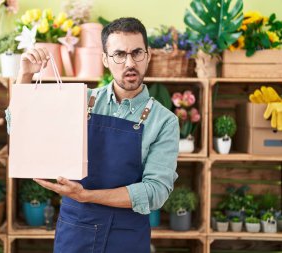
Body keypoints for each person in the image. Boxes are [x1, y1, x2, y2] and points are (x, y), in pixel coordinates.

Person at [10, 17, 179, 253]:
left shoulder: (164, 121)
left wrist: (86, 195)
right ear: (105, 60)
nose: (129, 62)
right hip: (75, 231)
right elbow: (21, 130)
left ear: (148, 55)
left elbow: (155, 191)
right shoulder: (79, 100)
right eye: (119, 54)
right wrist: (25, 76)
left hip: (127, 237)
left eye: (137, 52)